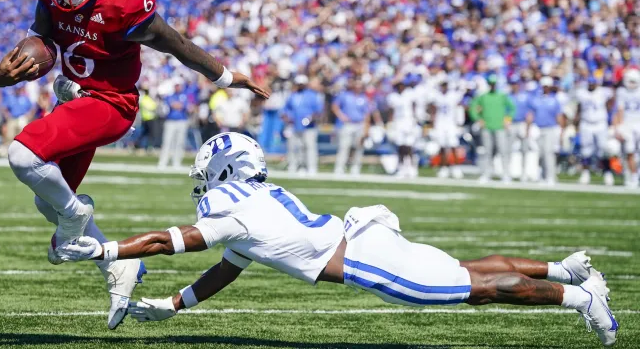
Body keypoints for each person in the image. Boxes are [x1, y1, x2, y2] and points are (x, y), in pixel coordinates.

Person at [56, 132, 619, 347]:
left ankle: (580, 297)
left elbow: (166, 241)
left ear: (222, 171)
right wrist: (176, 305)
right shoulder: (253, 205)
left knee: (478, 289)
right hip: (363, 235)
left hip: (364, 258)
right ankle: (565, 269)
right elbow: (227, 268)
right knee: (465, 272)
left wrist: (105, 251)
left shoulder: (233, 208)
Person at [0, 0, 268, 330]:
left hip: (109, 103)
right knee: (45, 199)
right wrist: (6, 74)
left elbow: (178, 45)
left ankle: (75, 216)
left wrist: (225, 76)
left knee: (22, 155)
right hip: (73, 95)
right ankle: (118, 268)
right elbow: (41, 38)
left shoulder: (125, 0)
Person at [469, 75, 516, 183]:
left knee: (503, 151)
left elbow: (512, 108)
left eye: (494, 84)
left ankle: (506, 174)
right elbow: (473, 108)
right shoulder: (483, 96)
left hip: (500, 127)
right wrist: (478, 119)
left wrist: (508, 119)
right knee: (487, 151)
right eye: (491, 83)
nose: (493, 86)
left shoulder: (502, 96)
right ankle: (486, 174)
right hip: (487, 127)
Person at [332, 80, 376, 175]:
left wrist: (366, 129)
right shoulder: (345, 95)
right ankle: (339, 167)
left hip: (359, 124)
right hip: (347, 124)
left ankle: (355, 168)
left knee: (359, 147)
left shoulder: (364, 98)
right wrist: (341, 116)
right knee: (344, 147)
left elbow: (367, 115)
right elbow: (335, 106)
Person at [575, 77, 614, 185]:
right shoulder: (582, 93)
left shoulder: (603, 92)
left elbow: (611, 101)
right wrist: (576, 122)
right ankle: (585, 173)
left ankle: (607, 173)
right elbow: (579, 107)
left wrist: (608, 115)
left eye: (593, 83)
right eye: (590, 83)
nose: (591, 85)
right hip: (586, 123)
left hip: (600, 123)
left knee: (603, 149)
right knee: (585, 150)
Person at [526, 77, 565, 185]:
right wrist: (528, 128)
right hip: (538, 128)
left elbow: (559, 116)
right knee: (540, 153)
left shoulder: (554, 100)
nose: (546, 88)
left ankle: (550, 176)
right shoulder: (536, 99)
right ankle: (542, 175)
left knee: (549, 153)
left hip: (550, 128)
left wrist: (561, 129)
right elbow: (531, 114)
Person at [282, 75, 323, 175]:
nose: (300, 86)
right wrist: (287, 119)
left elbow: (318, 111)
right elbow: (285, 110)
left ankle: (311, 167)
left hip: (309, 126)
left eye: (302, 84)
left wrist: (311, 118)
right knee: (294, 147)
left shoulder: (312, 95)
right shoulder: (292, 96)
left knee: (310, 147)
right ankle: (295, 165)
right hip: (294, 125)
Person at [428, 76, 464, 179]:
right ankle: (444, 167)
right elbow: (432, 108)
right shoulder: (437, 95)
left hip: (451, 123)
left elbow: (459, 104)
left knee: (453, 146)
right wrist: (432, 122)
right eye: (442, 85)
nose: (444, 87)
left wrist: (459, 122)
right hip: (440, 123)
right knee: (443, 147)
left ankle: (456, 167)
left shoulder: (452, 95)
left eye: (445, 85)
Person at [386, 77, 419, 178]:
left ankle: (411, 166)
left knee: (409, 145)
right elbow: (391, 110)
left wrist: (415, 118)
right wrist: (390, 123)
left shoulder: (409, 94)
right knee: (400, 145)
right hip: (398, 122)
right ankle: (401, 166)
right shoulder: (393, 96)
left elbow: (414, 106)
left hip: (408, 121)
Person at [158, 79, 193, 168]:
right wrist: (178, 105)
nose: (177, 87)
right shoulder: (170, 96)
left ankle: (176, 162)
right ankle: (163, 161)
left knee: (180, 143)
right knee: (167, 142)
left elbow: (187, 106)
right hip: (170, 121)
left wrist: (177, 105)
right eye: (176, 85)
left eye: (179, 85)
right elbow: (171, 105)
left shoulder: (185, 96)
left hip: (182, 121)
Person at [509, 77, 538, 182]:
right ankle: (508, 172)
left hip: (523, 123)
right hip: (511, 124)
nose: (514, 85)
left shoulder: (526, 96)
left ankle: (524, 172)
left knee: (524, 149)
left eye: (516, 83)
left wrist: (528, 126)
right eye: (512, 83)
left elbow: (531, 111)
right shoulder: (508, 96)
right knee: (508, 149)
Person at [615, 68, 640, 187]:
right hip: (628, 124)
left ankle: (636, 174)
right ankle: (633, 176)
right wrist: (619, 126)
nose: (631, 84)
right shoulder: (621, 91)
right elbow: (620, 110)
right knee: (629, 151)